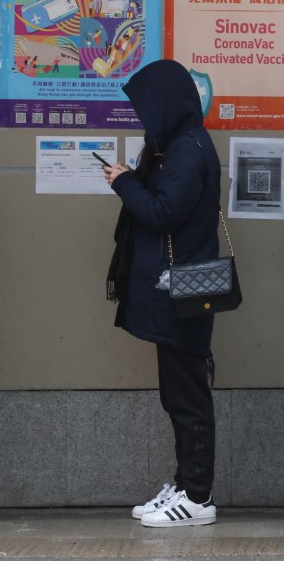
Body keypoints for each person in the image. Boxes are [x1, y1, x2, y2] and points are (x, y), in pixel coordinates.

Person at [102, 59, 221, 528]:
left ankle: (197, 497)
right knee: (178, 392)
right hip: (184, 280)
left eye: (145, 108)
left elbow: (163, 212)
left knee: (188, 393)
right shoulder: (176, 145)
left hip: (187, 283)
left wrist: (125, 182)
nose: (142, 118)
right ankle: (186, 483)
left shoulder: (188, 148)